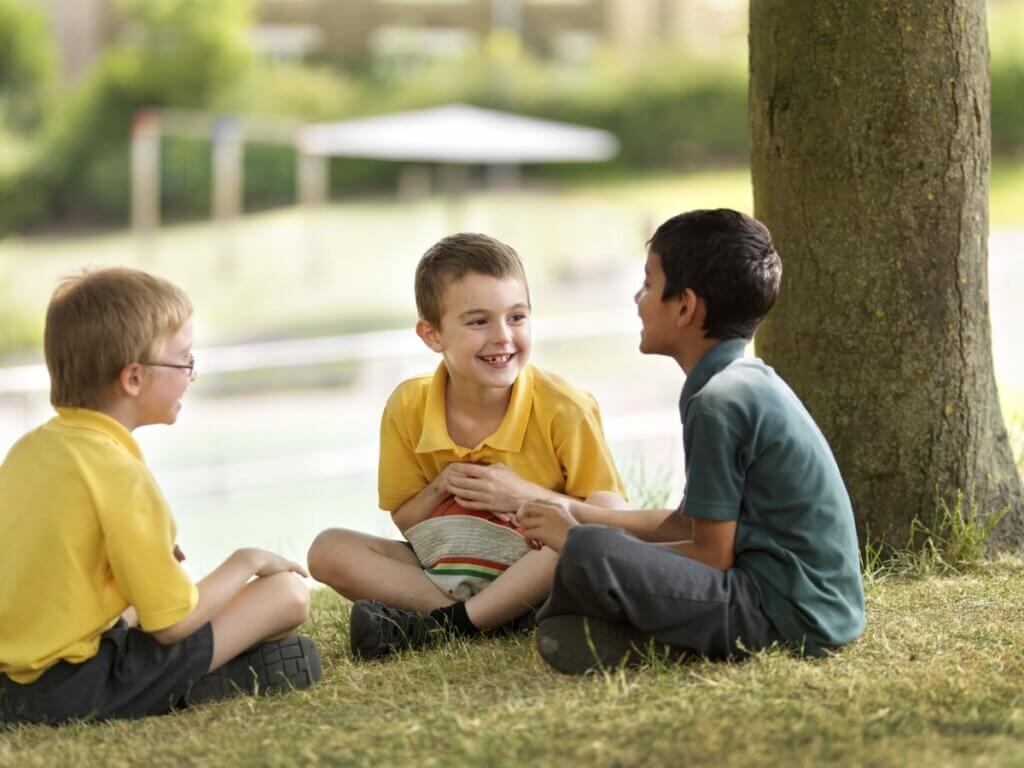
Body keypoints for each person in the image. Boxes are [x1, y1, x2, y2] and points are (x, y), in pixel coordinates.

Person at [516, 209, 865, 674]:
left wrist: (576, 537)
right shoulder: (740, 381)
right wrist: (577, 511)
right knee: (593, 547)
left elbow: (710, 556)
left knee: (589, 552)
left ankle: (644, 635)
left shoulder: (719, 402)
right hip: (815, 609)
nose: (637, 299)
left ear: (685, 307)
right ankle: (637, 632)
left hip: (785, 615)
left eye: (648, 284)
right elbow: (690, 523)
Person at [0, 268, 321, 726]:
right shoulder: (121, 474)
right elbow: (169, 625)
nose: (191, 374)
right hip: (73, 689)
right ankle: (190, 683)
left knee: (140, 606)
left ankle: (186, 679)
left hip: (10, 684)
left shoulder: (27, 451)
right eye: (184, 360)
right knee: (287, 595)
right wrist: (246, 561)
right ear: (132, 378)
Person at [308, 233, 627, 660]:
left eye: (517, 317)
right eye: (479, 322)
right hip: (446, 572)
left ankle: (450, 625)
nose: (503, 337)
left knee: (593, 526)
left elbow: (609, 518)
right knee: (328, 549)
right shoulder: (408, 405)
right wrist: (439, 487)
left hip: (539, 570)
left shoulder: (565, 407)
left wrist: (523, 496)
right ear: (432, 335)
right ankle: (488, 617)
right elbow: (407, 521)